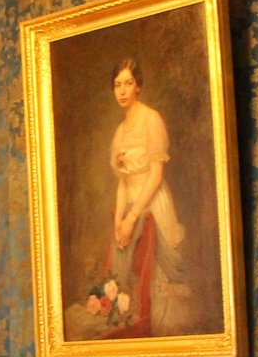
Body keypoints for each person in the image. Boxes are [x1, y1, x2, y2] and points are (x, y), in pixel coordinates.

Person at [66, 57, 192, 340]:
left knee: (155, 278)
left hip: (152, 203)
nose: (122, 91)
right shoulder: (120, 132)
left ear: (138, 87)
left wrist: (133, 216)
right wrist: (119, 222)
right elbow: (122, 183)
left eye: (128, 83)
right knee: (123, 269)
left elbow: (155, 175)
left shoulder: (151, 119)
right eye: (117, 85)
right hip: (130, 207)